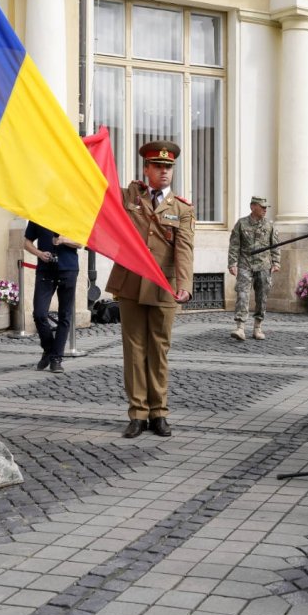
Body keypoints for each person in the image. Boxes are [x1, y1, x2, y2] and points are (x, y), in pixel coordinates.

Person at [107, 140, 194, 439]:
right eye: (158, 166)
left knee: (159, 350)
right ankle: (137, 414)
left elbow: (184, 250)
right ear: (146, 169)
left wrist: (184, 285)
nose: (165, 172)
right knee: (134, 350)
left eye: (169, 167)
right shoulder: (132, 196)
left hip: (163, 286)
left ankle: (159, 413)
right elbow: (102, 190)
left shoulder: (181, 208)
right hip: (131, 283)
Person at [24, 221, 80, 372]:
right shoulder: (37, 214)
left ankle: (56, 359)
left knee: (65, 316)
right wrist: (40, 254)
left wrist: (64, 240)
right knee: (39, 314)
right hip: (45, 270)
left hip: (68, 269)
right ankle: (49, 350)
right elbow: (27, 242)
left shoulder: (71, 213)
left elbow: (81, 242)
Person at [227, 196, 280, 341]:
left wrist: (276, 262)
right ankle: (240, 328)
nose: (264, 209)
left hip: (264, 266)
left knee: (262, 297)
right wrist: (232, 263)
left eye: (265, 207)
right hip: (245, 264)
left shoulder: (269, 224)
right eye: (262, 206)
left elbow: (275, 245)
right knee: (242, 295)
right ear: (252, 207)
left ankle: (258, 327)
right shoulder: (241, 224)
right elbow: (234, 245)